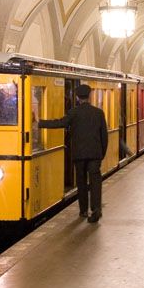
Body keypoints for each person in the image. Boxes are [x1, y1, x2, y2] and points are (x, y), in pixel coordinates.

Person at [38, 84, 108, 223]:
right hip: (95, 154)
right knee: (95, 182)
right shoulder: (99, 113)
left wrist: (39, 123)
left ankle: (83, 210)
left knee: (81, 182)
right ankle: (96, 210)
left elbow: (60, 123)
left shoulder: (73, 112)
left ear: (77, 97)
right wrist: (101, 154)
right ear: (90, 96)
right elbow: (104, 136)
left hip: (79, 154)